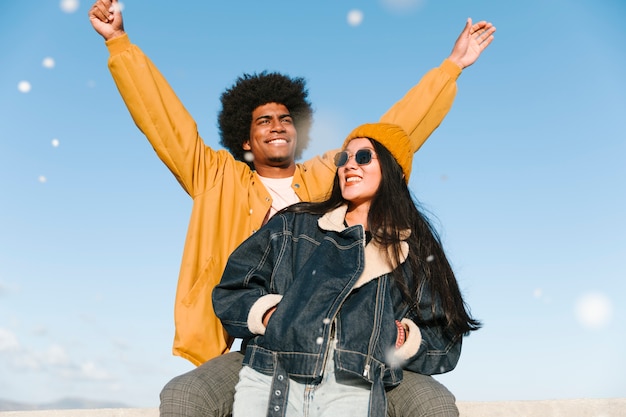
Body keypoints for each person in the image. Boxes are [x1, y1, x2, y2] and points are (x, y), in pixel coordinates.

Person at [88, 0, 495, 415]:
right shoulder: (215, 177)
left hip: (351, 345)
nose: (278, 125)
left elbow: (390, 137)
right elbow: (164, 122)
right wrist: (120, 43)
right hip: (257, 341)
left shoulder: (329, 177)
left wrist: (451, 69)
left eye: (286, 119)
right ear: (245, 140)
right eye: (264, 121)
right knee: (185, 395)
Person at [213, 122, 481, 417]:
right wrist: (272, 316)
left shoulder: (415, 249)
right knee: (185, 392)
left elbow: (445, 340)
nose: (349, 166)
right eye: (344, 158)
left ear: (392, 170)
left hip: (359, 379)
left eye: (363, 157)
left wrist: (401, 337)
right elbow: (234, 287)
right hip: (275, 366)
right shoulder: (294, 224)